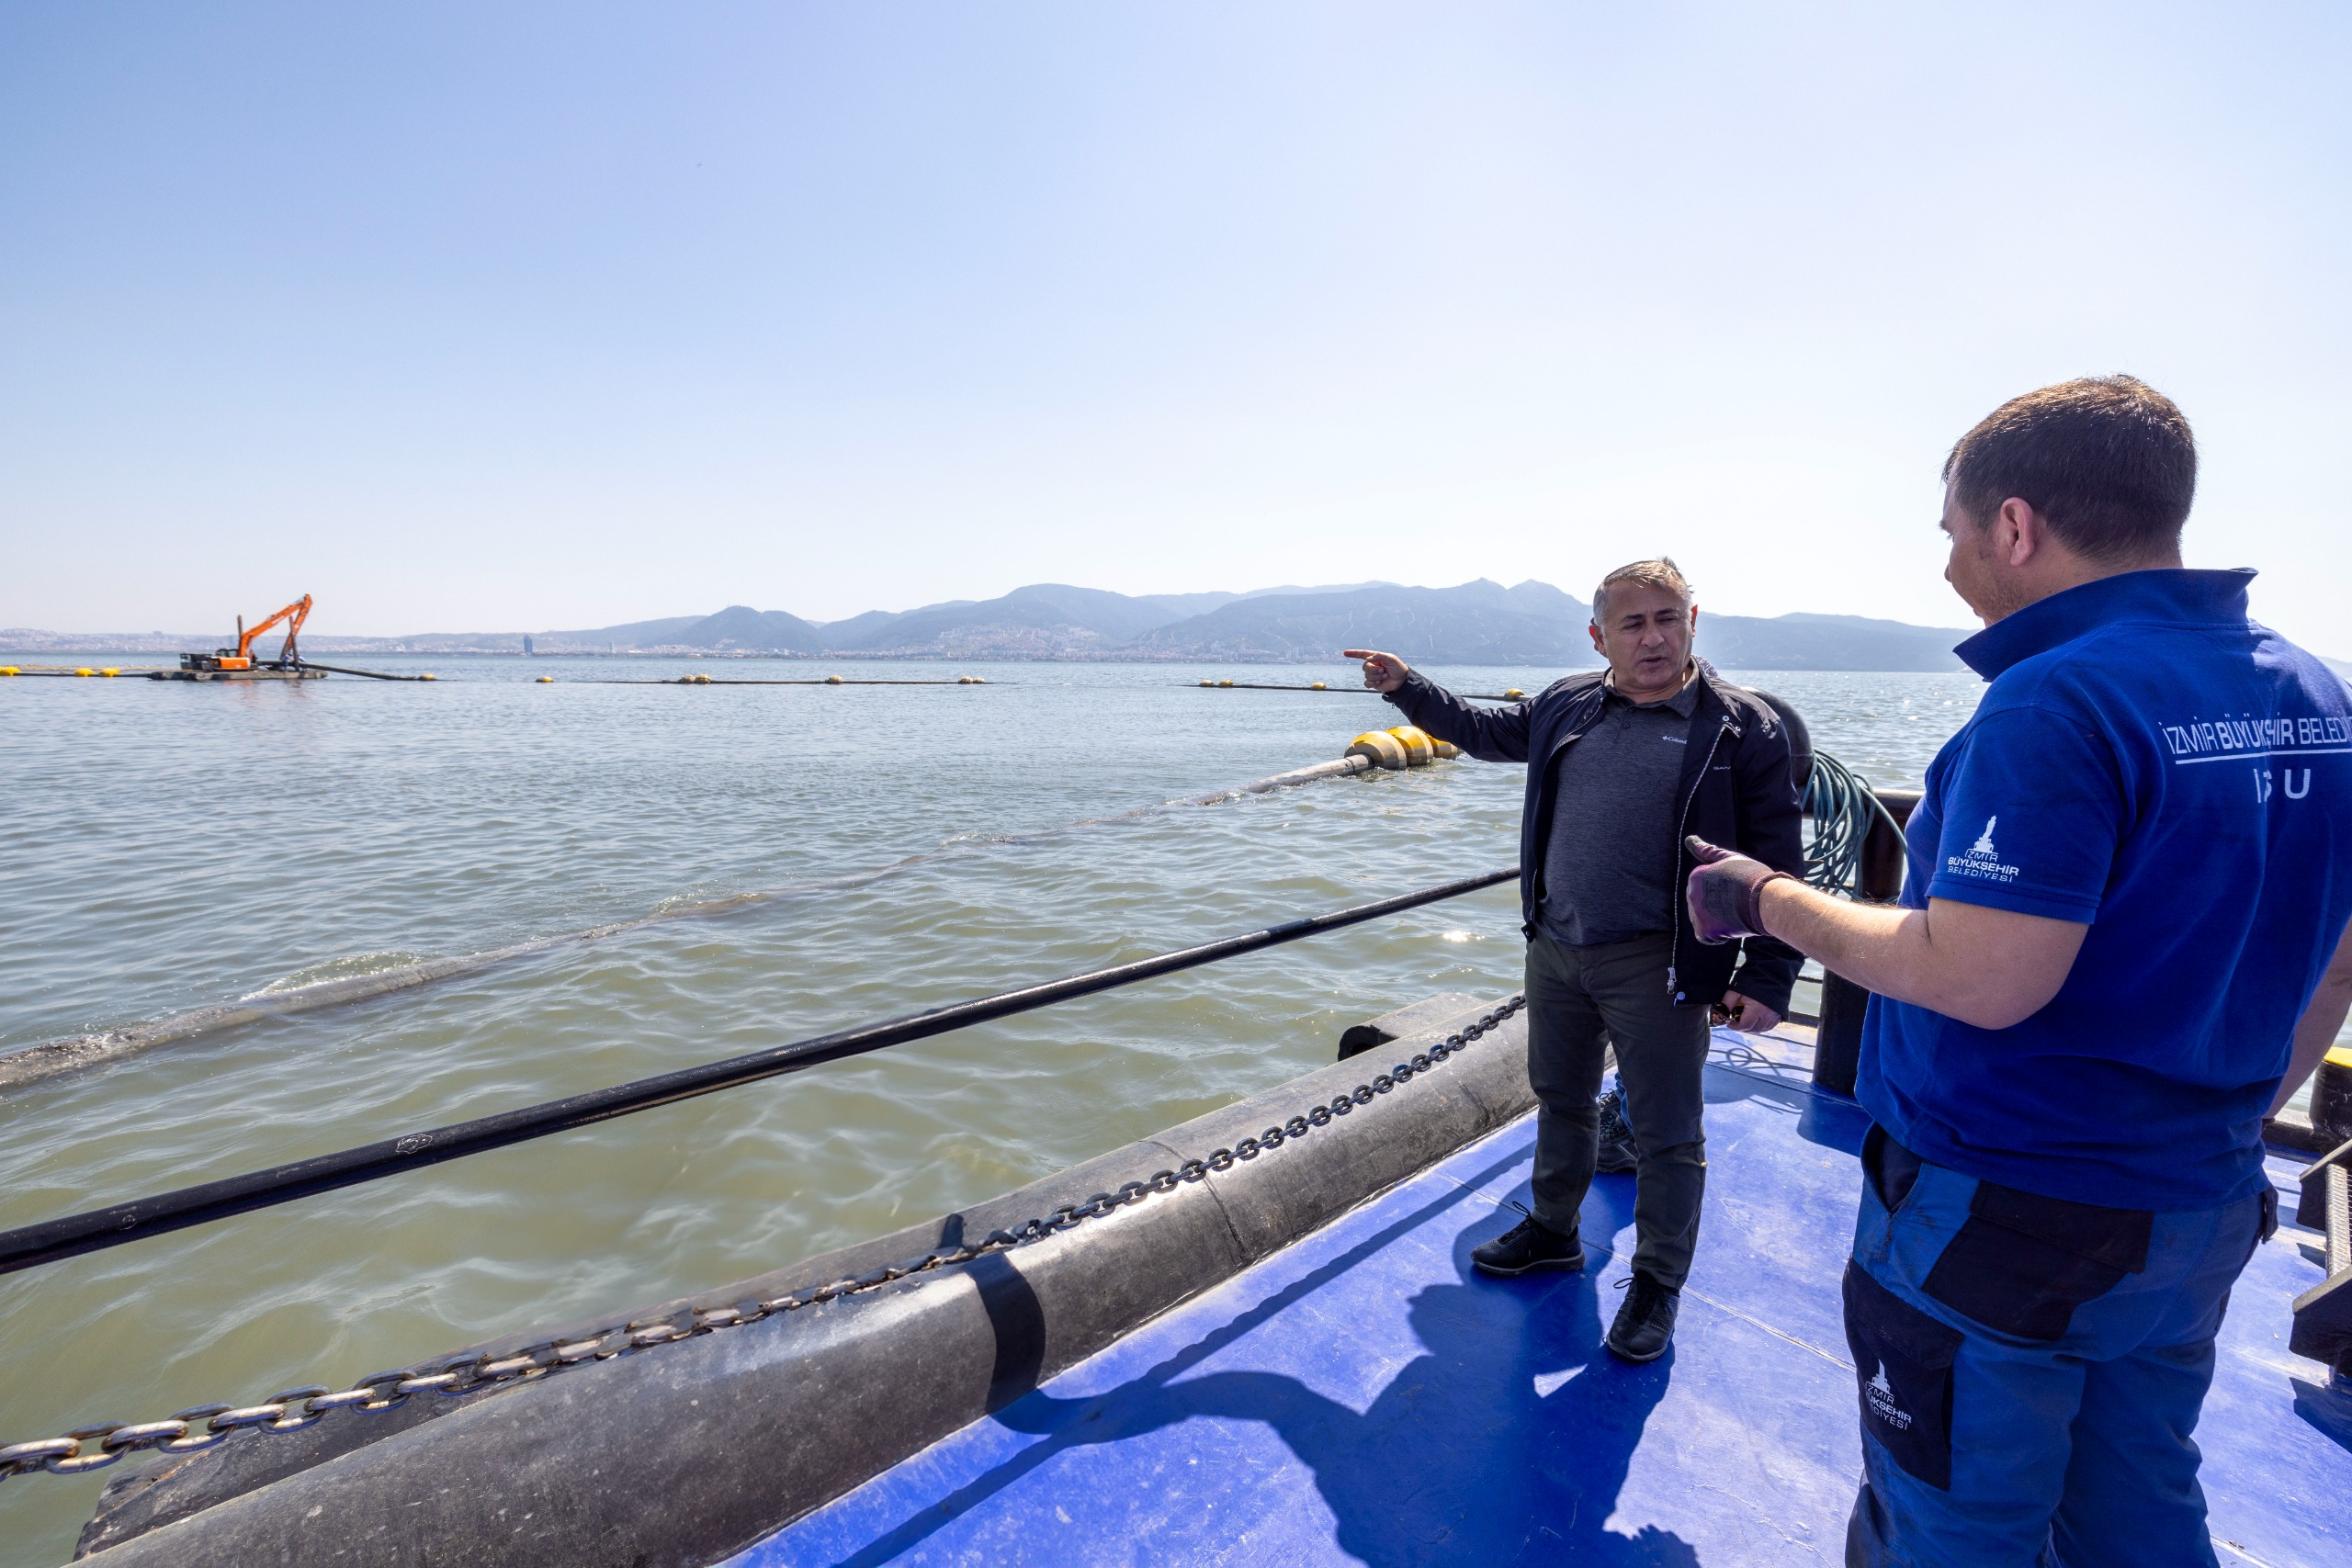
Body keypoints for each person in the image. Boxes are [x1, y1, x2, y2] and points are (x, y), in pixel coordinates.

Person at [1682, 375, 2352, 1565]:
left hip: (2003, 1216)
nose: (1948, 567)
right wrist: (2232, 1111)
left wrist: (1767, 898)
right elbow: (2336, 960)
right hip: (2196, 1202)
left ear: (2014, 524)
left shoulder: (2056, 697)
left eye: (1951, 531)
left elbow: (1985, 973)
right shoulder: (2313, 691)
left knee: (1951, 1523)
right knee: (2139, 1509)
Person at [1344, 558, 1804, 1362]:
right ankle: (1554, 1228)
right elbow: (1484, 732)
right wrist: (1406, 687)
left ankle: (1657, 1282)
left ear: (1693, 621)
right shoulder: (1565, 703)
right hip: (1557, 945)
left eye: (1669, 617)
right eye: (1633, 623)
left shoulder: (1743, 727)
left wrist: (1766, 976)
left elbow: (1776, 862)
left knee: (1667, 1134)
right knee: (1560, 1098)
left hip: (1659, 961)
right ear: (1600, 635)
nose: (1654, 636)